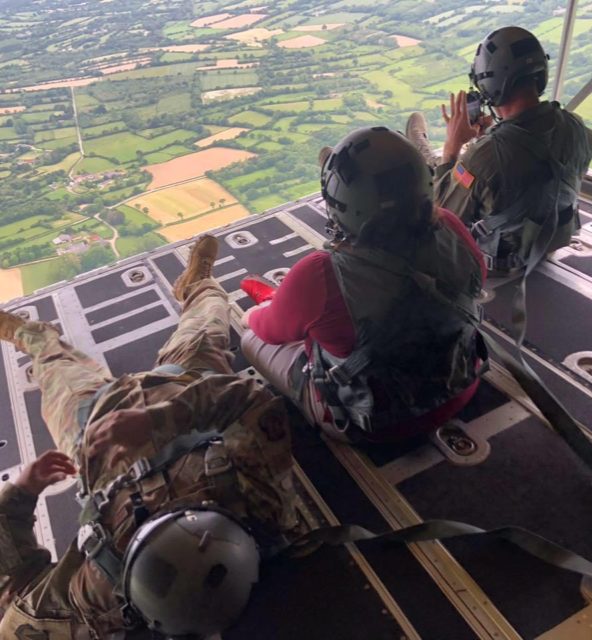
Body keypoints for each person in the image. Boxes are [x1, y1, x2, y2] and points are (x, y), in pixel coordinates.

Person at [0, 235, 308, 640]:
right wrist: (159, 420)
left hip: (93, 425)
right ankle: (196, 283)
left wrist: (21, 492)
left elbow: (14, 590)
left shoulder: (92, 598)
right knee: (210, 314)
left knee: (54, 365)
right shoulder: (266, 508)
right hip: (186, 389)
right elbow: (252, 403)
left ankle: (30, 335)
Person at [241, 127, 487, 444]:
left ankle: (280, 305)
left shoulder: (320, 274)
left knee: (251, 336)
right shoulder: (452, 228)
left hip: (374, 423)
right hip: (460, 388)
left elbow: (270, 331)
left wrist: (257, 315)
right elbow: (475, 280)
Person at [407, 26, 592, 274]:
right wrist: (490, 140)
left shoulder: (484, 157)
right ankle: (428, 156)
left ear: (489, 84)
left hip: (503, 261)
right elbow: (539, 173)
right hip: (550, 239)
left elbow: (443, 215)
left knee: (432, 175)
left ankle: (424, 156)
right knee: (474, 173)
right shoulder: (577, 128)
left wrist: (453, 149)